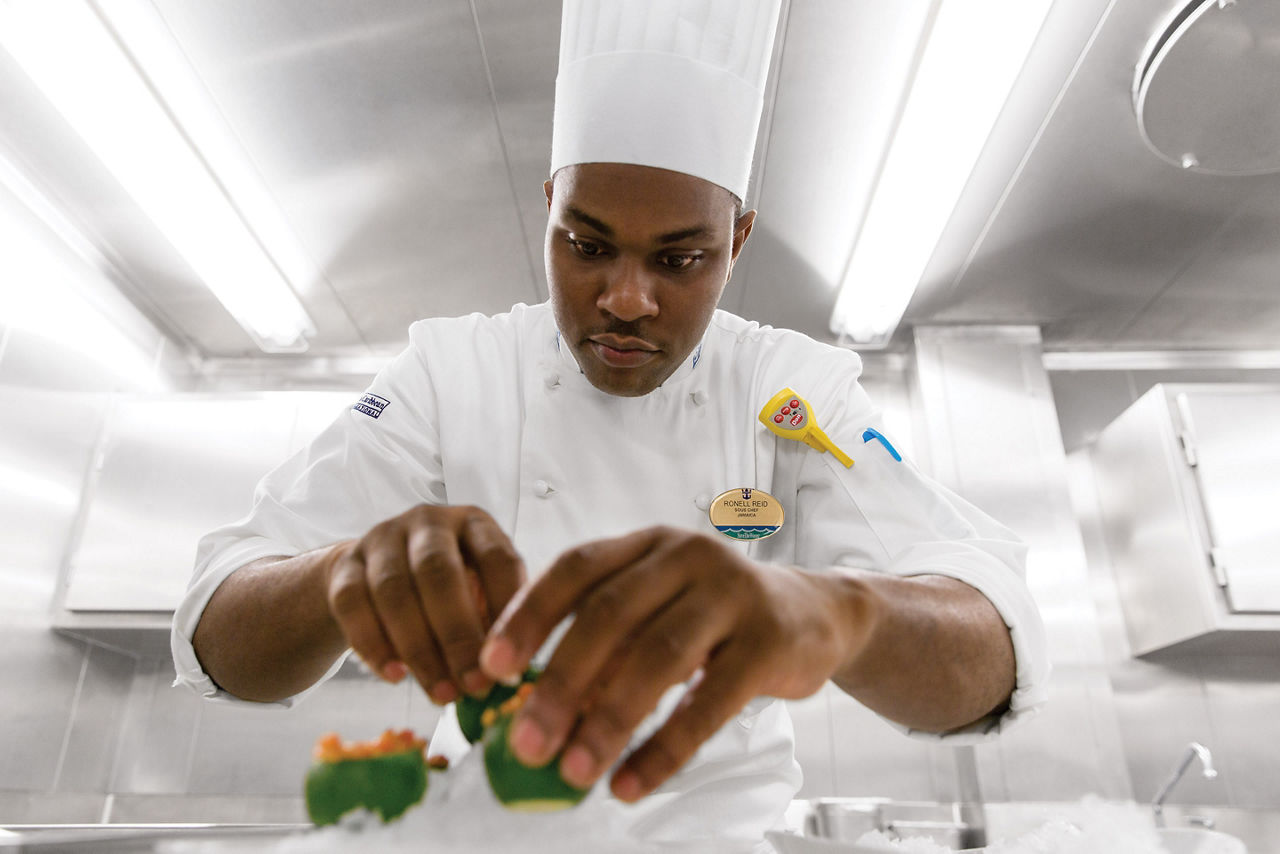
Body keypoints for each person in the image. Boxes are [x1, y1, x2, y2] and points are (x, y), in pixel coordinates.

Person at [173, 0, 1049, 845]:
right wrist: (340, 570)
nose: (626, 300)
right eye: (587, 246)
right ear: (550, 204)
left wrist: (837, 611)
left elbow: (992, 648)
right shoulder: (452, 371)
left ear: (737, 241)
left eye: (680, 258)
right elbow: (220, 636)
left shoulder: (790, 391)